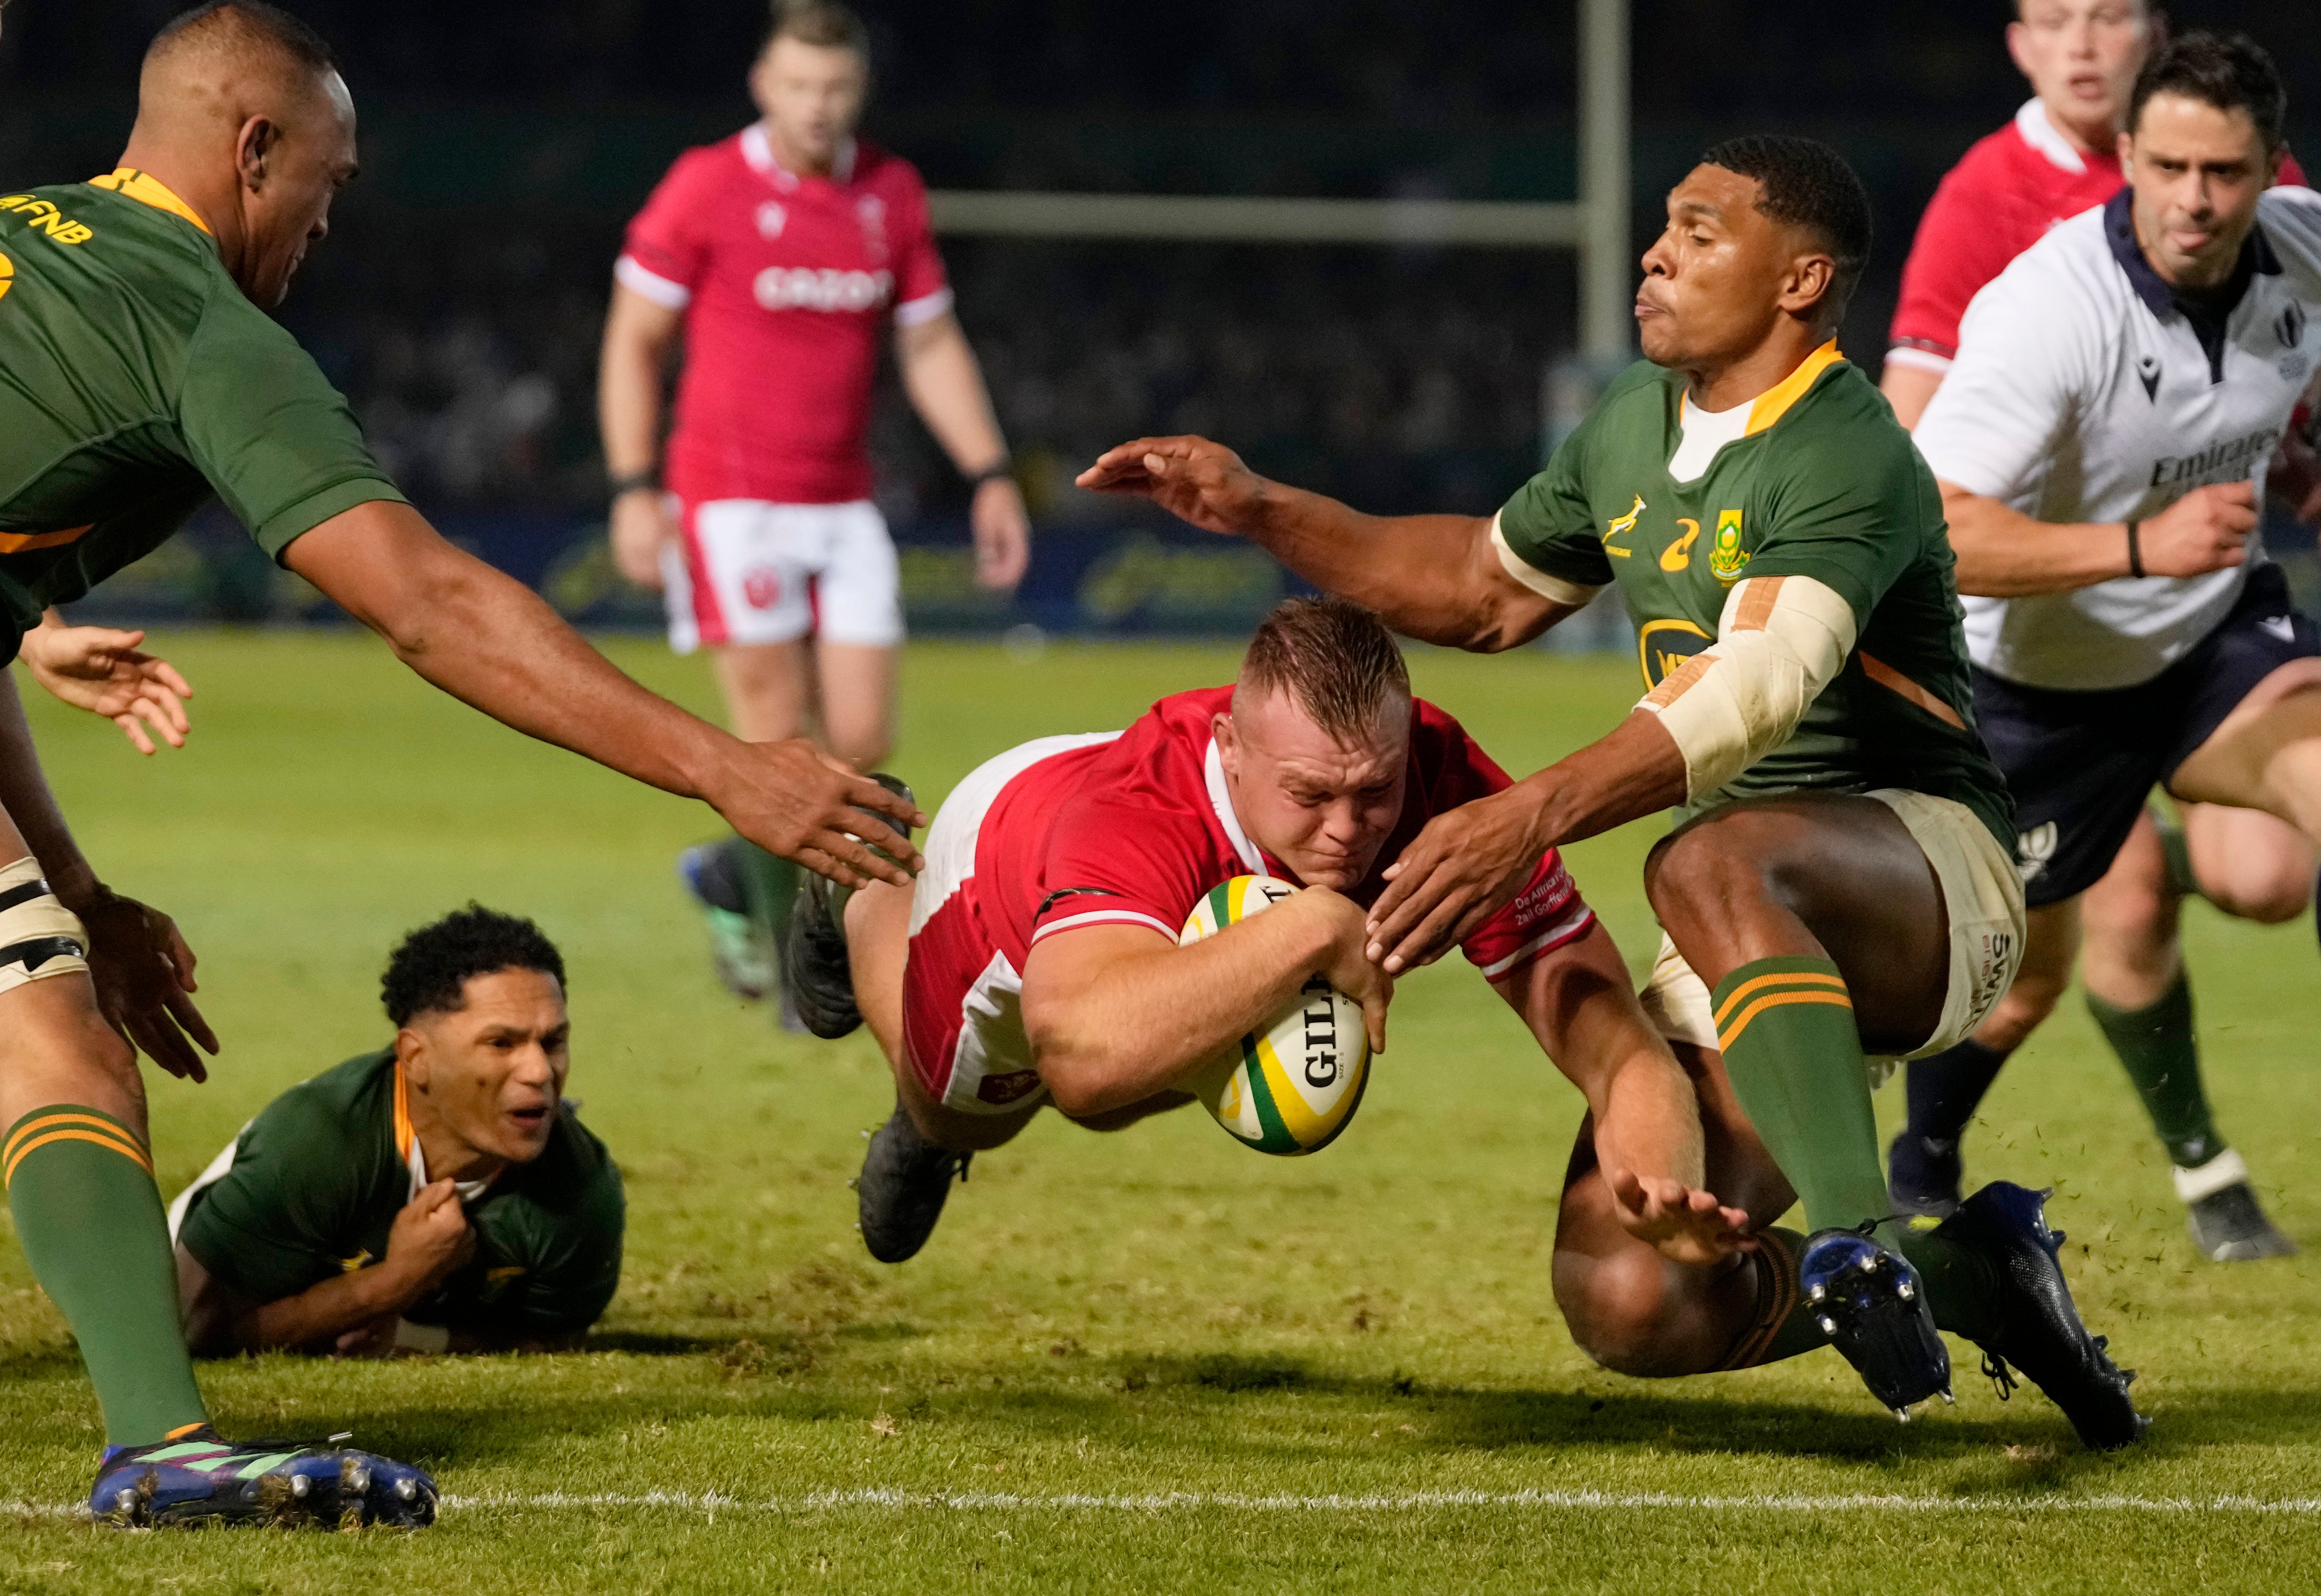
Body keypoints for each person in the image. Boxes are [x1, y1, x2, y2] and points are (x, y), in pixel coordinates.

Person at [0, 1, 920, 1531]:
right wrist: (718, 767)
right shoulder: (194, 322)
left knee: (50, 1008)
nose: (322, 225)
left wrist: (82, 883)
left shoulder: (31, 239)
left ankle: (160, 1439)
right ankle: (158, 1446)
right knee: (53, 1041)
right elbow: (429, 605)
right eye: (329, 185)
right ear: (255, 148)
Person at [1080, 137, 2147, 1449]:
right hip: (1745, 924)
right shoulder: (1629, 433)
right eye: (1661, 228)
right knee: (1633, 1294)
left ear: (1799, 277)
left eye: (1700, 234)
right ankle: (1971, 1273)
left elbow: (1751, 682)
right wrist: (1257, 507)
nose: (1655, 253)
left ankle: (1859, 1231)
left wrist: (1527, 810)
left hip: (1926, 869)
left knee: (1699, 859)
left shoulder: (1844, 449)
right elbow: (1477, 585)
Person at [788, 597, 1769, 1334]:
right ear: (1229, 746)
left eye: (1372, 792)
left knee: (1192, 1046)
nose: (1347, 831)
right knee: (967, 1109)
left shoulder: (1437, 783)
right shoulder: (1140, 814)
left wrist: (1662, 1199)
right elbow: (1084, 1071)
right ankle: (863, 890)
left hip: (1145, 909)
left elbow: (1612, 1047)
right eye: (1310, 795)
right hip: (1003, 864)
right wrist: (1311, 928)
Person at [1905, 34, 2321, 1260]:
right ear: (2126, 157)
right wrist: (2139, 548)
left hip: (2206, 639)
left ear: (2265, 171)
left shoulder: (2299, 247)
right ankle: (1919, 1158)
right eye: (2172, 166)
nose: (2195, 199)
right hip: (2036, 682)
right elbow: (1935, 531)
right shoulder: (2047, 309)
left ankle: (2212, 1176)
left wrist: (2299, 450)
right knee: (2022, 978)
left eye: (2225, 172)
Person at [599, 0, 1028, 1018]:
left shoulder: (889, 193)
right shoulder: (705, 186)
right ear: (762, 84)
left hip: (841, 504)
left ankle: (725, 871)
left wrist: (990, 471)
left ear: (858, 90)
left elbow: (927, 346)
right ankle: (805, 971)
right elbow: (632, 342)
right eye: (798, 85)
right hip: (727, 500)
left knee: (859, 740)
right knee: (773, 742)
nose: (816, 105)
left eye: (834, 87)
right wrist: (631, 487)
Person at [170, 907, 623, 1359]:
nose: (540, 1071)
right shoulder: (319, 1142)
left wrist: (417, 1338)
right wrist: (395, 1281)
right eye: (501, 1043)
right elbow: (197, 1329)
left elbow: (556, 1338)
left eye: (553, 1042)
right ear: (417, 1057)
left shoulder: (579, 1187)